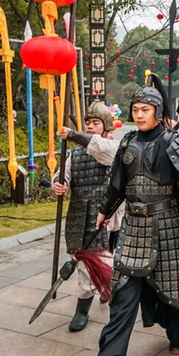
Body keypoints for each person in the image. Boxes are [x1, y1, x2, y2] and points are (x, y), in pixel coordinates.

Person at [80, 76, 179, 356]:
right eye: (136, 109)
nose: (139, 114)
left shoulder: (175, 142)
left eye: (145, 109)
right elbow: (117, 183)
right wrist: (104, 210)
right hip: (133, 228)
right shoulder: (127, 141)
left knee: (175, 293)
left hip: (168, 228)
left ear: (157, 110)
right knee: (123, 294)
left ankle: (178, 337)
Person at [52, 101, 120, 332]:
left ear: (106, 127)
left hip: (106, 213)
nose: (90, 126)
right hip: (79, 210)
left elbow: (99, 149)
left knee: (98, 261)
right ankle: (93, 299)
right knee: (84, 260)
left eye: (96, 123)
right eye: (88, 123)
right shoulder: (75, 152)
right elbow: (64, 173)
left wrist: (74, 135)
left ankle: (96, 297)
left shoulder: (114, 148)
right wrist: (59, 184)